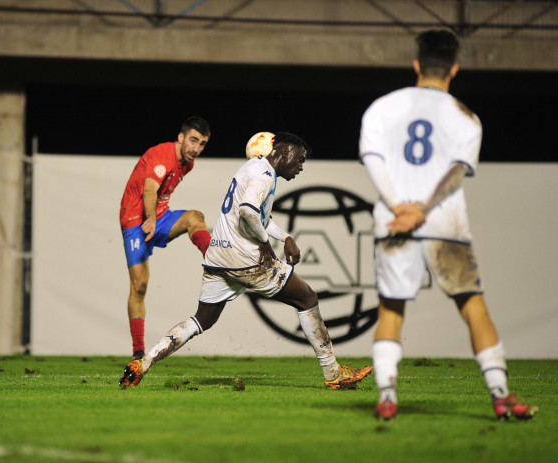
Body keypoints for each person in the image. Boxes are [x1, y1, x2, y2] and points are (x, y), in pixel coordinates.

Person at [359, 29, 538, 421]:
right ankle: (501, 396)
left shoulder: (382, 107)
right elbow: (458, 171)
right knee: (474, 308)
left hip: (394, 223)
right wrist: (423, 209)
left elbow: (373, 159)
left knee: (391, 311)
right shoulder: (466, 118)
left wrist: (401, 208)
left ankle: (388, 396)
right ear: (454, 68)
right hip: (445, 223)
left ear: (417, 64)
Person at [120, 132, 373, 390]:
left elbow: (259, 216)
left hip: (218, 257)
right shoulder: (265, 175)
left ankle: (144, 362)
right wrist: (264, 242)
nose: (301, 167)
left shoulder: (251, 167)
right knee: (307, 298)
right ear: (285, 152)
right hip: (245, 259)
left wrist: (285, 237)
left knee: (201, 320)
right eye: (300, 159)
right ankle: (333, 374)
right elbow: (247, 212)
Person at [120, 116, 214, 361]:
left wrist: (156, 218)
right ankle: (138, 351)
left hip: (160, 217)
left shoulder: (188, 164)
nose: (197, 148)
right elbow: (150, 188)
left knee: (195, 217)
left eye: (202, 143)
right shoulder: (162, 155)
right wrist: (149, 219)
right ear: (181, 137)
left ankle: (214, 258)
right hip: (135, 220)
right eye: (193, 140)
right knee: (139, 284)